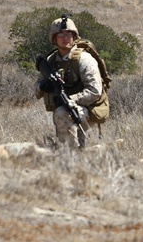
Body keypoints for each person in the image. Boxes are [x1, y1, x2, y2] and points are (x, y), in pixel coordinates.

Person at [35, 15, 106, 148]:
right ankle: (71, 152)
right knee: (62, 112)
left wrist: (71, 100)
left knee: (63, 113)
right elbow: (36, 90)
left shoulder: (84, 59)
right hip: (68, 109)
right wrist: (43, 86)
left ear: (74, 36)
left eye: (69, 34)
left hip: (89, 108)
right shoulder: (51, 61)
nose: (65, 38)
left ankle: (69, 156)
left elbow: (95, 91)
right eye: (61, 34)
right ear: (54, 38)